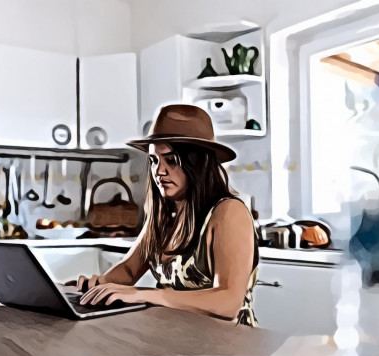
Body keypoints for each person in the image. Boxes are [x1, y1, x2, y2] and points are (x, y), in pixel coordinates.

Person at [73, 104, 259, 326]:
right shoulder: (165, 216)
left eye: (171, 160)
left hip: (229, 346)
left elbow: (228, 302)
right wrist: (97, 286)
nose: (159, 171)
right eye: (154, 160)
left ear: (197, 163)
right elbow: (129, 269)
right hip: (177, 335)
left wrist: (147, 294)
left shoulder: (228, 212)